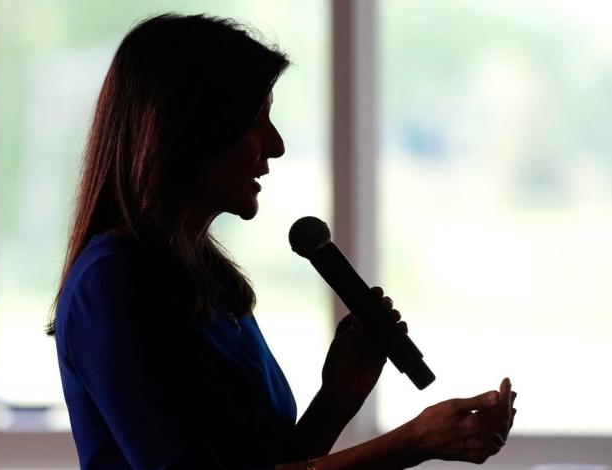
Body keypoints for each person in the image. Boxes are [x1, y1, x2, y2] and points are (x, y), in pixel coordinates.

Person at [48, 13, 516, 469]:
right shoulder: (110, 285)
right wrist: (412, 443)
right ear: (193, 129)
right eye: (257, 120)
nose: (275, 145)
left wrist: (338, 396)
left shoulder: (207, 278)